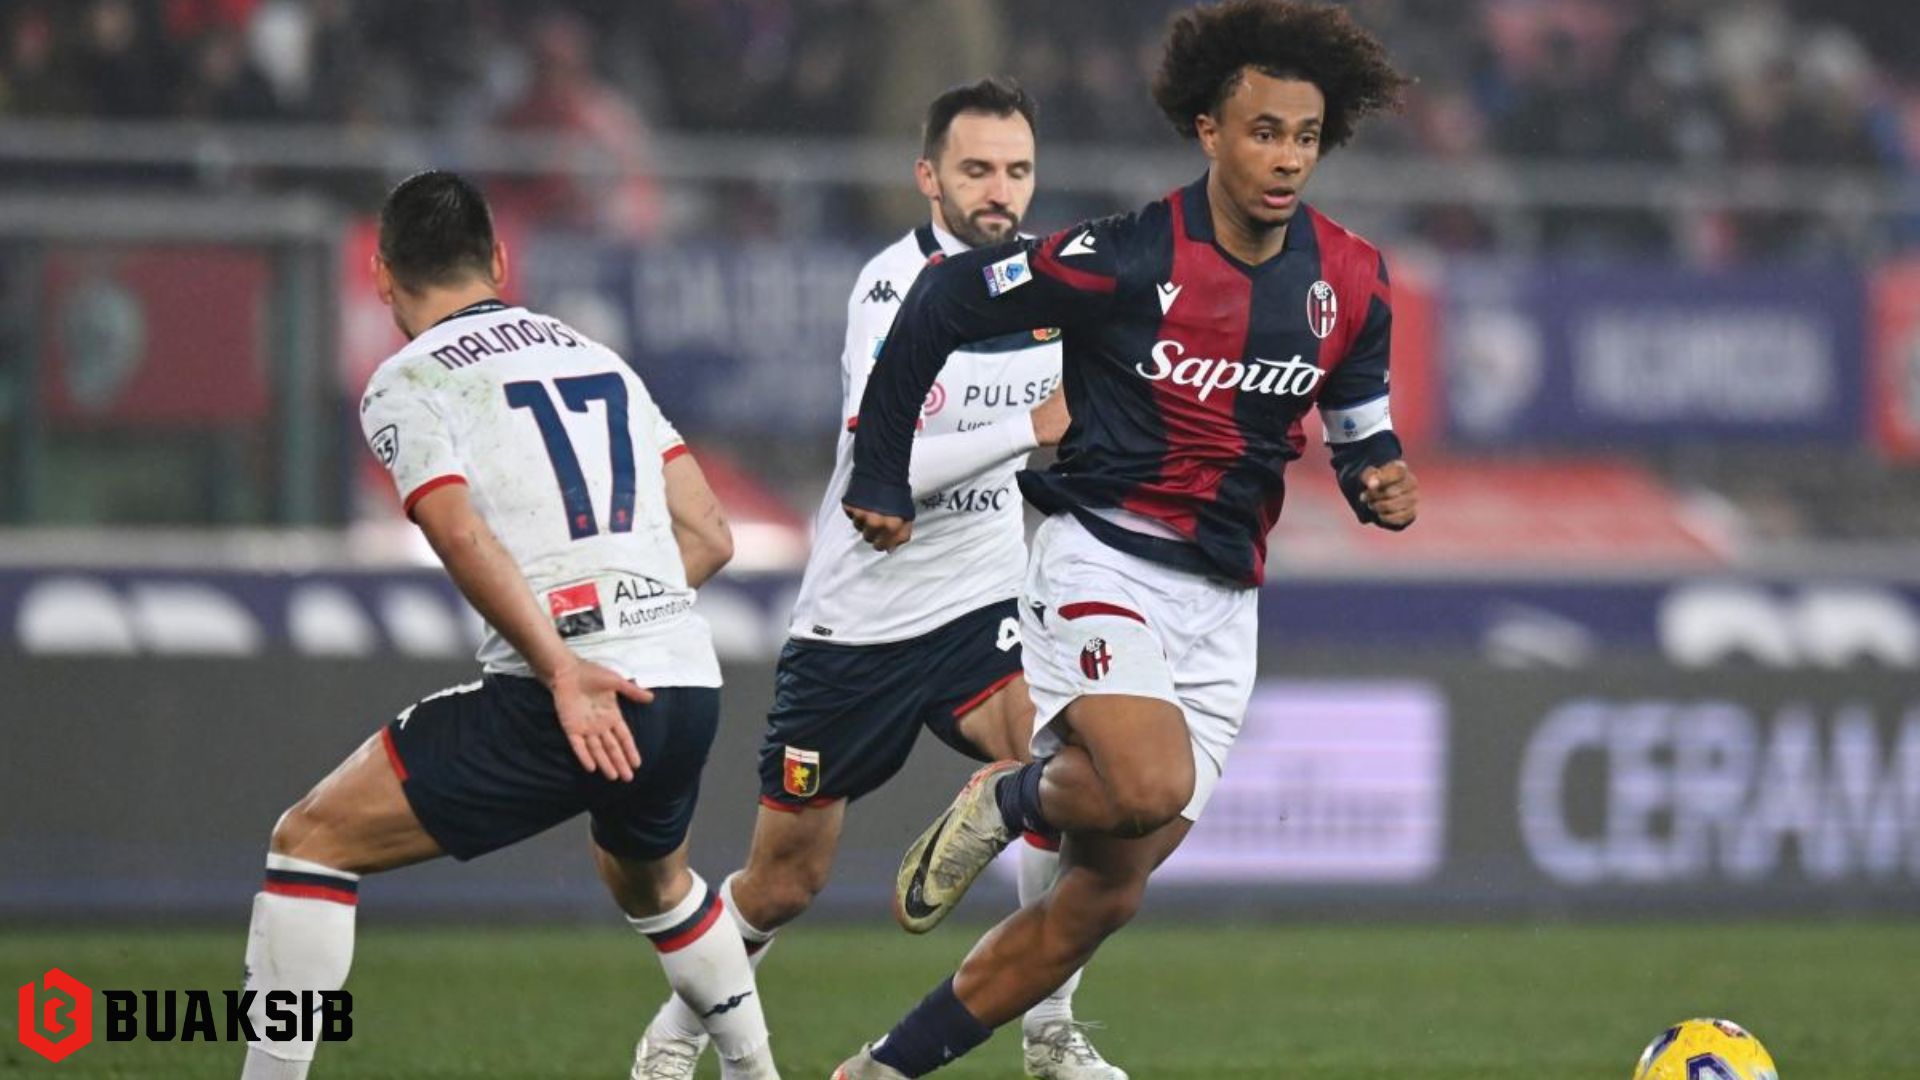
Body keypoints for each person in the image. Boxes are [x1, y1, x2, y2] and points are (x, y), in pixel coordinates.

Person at [833, 2, 1418, 1076]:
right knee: (1143, 789)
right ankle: (1014, 795)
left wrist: (1374, 471)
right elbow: (948, 298)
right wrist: (879, 471)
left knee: (1104, 894)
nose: (1287, 158)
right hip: (1101, 557)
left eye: (1304, 136)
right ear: (1209, 130)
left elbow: (1357, 411)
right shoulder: (1128, 255)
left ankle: (878, 1068)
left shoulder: (1353, 279)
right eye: (1263, 132)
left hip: (1224, 603)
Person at [633, 76, 1127, 1080]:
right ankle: (678, 1031)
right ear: (928, 178)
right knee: (784, 881)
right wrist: (1029, 429)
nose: (1000, 190)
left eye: (1018, 170)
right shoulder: (893, 291)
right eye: (976, 169)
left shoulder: (1051, 289)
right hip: (858, 624)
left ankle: (1048, 1032)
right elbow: (880, 471)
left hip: (985, 602)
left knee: (1074, 776)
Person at [235, 171, 778, 1080]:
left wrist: (566, 663)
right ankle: (757, 1071)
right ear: (495, 259)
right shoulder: (595, 356)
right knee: (655, 885)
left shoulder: (410, 379)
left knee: (312, 842)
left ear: (381, 273)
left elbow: (454, 530)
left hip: (573, 692)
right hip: (684, 683)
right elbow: (711, 534)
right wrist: (627, 617)